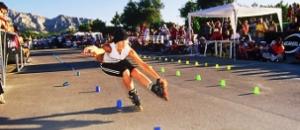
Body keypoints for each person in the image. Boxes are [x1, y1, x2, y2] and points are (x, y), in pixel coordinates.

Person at [82, 28, 169, 111]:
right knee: (126, 72)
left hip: (120, 61)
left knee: (136, 72)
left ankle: (154, 89)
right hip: (107, 65)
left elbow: (143, 64)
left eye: (126, 41)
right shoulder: (110, 47)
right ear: (117, 42)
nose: (125, 44)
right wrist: (93, 48)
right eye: (122, 42)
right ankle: (133, 94)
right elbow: (99, 50)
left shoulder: (128, 50)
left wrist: (158, 78)